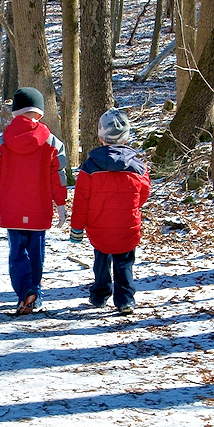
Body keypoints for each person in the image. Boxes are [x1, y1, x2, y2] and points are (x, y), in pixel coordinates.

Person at [0, 87, 68, 315]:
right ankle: (35, 293)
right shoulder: (52, 142)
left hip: (11, 210)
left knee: (17, 253)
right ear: (40, 114)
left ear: (14, 114)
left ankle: (25, 291)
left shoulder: (1, 142)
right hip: (39, 209)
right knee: (36, 252)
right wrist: (60, 205)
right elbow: (58, 177)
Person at [69, 108, 150, 315]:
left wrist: (77, 229)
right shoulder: (138, 167)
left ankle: (99, 294)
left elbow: (81, 201)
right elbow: (144, 194)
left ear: (100, 136)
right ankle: (125, 300)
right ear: (127, 136)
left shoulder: (90, 167)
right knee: (124, 263)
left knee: (101, 260)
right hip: (127, 224)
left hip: (99, 225)